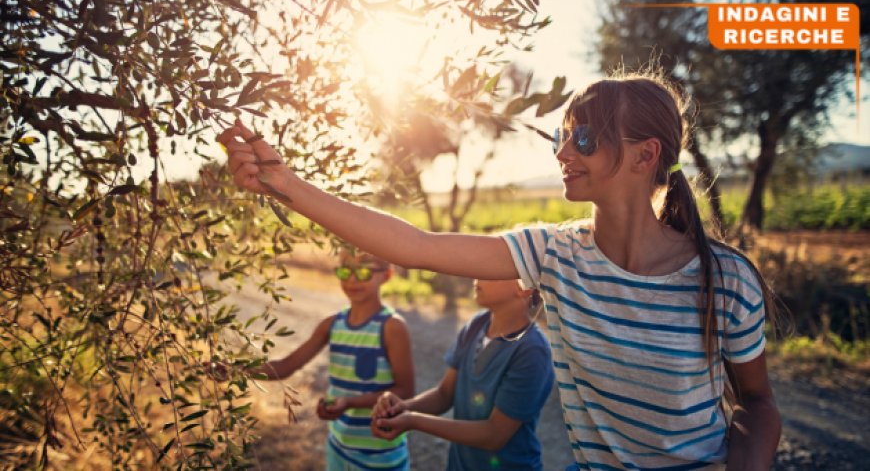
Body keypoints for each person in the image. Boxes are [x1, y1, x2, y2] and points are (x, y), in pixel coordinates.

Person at [218, 69, 781, 470]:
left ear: (644, 155)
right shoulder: (553, 255)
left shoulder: (725, 278)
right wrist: (285, 184)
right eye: (562, 138)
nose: (563, 153)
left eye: (582, 138)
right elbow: (413, 244)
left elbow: (757, 403)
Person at [217, 249, 415, 470]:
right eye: (345, 270)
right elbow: (284, 367)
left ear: (387, 275)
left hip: (380, 455)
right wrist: (235, 370)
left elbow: (405, 391)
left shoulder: (392, 327)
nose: (351, 279)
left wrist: (349, 403)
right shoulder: (331, 324)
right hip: (338, 447)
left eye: (364, 273)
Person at [370, 279, 554, 470]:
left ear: (524, 288)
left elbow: (494, 435)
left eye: (490, 271)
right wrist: (401, 408)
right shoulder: (477, 324)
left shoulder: (532, 351)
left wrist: (413, 420)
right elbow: (444, 394)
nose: (476, 276)